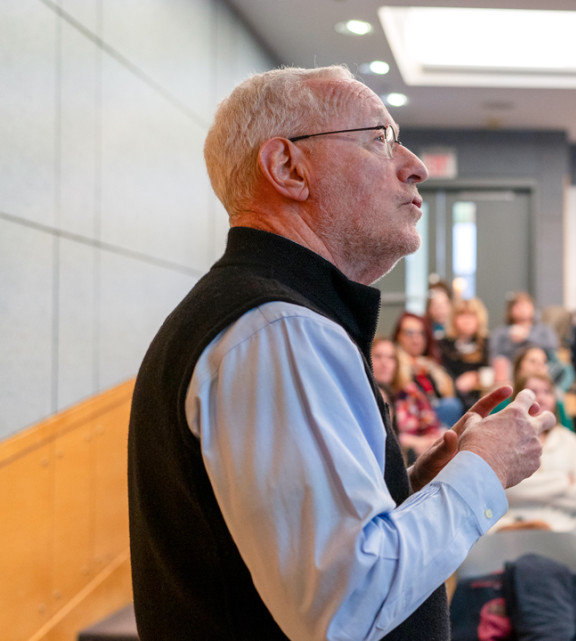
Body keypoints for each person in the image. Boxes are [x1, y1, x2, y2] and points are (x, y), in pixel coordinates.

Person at [128, 66, 548, 640]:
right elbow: (343, 607)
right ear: (287, 168)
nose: (415, 166)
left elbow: (316, 557)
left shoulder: (265, 317)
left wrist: (411, 493)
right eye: (379, 138)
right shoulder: (276, 330)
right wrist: (485, 471)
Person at [490, 371, 576, 535]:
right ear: (518, 399)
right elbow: (498, 493)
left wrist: (523, 491)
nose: (541, 398)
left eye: (547, 392)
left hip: (561, 528)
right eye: (533, 392)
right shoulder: (501, 442)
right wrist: (562, 482)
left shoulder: (570, 441)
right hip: (510, 528)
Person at [373, 337, 445, 458]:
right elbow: (379, 436)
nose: (384, 363)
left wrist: (430, 441)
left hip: (422, 452)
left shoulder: (409, 392)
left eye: (391, 358)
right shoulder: (366, 395)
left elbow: (431, 425)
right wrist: (412, 442)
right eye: (378, 356)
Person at [393, 312, 465, 426]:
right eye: (409, 333)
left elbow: (453, 394)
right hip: (412, 416)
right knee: (451, 406)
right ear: (398, 336)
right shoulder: (394, 363)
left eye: (421, 333)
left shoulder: (434, 366)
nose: (416, 339)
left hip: (436, 413)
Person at [438, 297, 490, 408]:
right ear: (453, 319)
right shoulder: (443, 345)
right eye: (462, 315)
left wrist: (476, 376)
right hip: (454, 397)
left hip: (481, 394)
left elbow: (493, 372)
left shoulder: (487, 344)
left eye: (471, 315)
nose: (467, 320)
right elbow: (441, 372)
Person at [488, 291, 559, 363]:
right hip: (511, 369)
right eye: (518, 306)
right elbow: (495, 356)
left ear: (532, 308)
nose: (522, 309)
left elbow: (552, 349)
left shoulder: (544, 330)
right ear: (510, 310)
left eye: (525, 306)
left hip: (541, 368)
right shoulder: (501, 332)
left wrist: (527, 337)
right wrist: (512, 342)